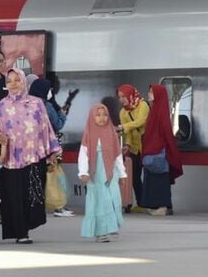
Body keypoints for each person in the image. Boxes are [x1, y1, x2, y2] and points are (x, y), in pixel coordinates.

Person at [0, 68, 60, 244]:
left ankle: (27, 226)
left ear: (23, 82)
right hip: (11, 160)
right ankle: (21, 233)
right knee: (14, 197)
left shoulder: (37, 104)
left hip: (34, 157)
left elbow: (46, 127)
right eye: (9, 81)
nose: (13, 84)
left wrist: (52, 151)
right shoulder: (1, 106)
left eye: (16, 80)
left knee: (33, 196)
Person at [78, 103, 126, 242]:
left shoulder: (111, 132)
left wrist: (122, 174)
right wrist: (83, 171)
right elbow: (83, 154)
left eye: (105, 115)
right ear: (92, 117)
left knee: (114, 199)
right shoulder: (89, 133)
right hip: (95, 173)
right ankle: (101, 232)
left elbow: (117, 155)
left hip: (111, 171)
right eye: (98, 115)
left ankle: (112, 226)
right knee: (100, 201)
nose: (102, 118)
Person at [29, 78, 73, 218]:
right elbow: (58, 124)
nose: (51, 93)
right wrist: (62, 113)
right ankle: (58, 206)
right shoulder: (46, 105)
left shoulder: (28, 104)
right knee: (55, 174)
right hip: (50, 144)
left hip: (34, 147)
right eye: (49, 90)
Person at [140, 84, 183, 216]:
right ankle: (156, 205)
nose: (149, 94)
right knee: (156, 178)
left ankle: (162, 206)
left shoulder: (159, 111)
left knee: (158, 178)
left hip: (158, 151)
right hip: (154, 150)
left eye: (152, 92)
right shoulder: (155, 110)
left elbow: (164, 132)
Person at [116, 84, 149, 212]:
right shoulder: (123, 112)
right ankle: (140, 203)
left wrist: (123, 127)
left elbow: (141, 121)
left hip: (148, 146)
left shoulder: (143, 105)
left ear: (130, 95)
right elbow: (128, 132)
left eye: (124, 96)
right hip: (135, 148)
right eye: (120, 97)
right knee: (134, 177)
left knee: (148, 176)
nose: (122, 100)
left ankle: (149, 202)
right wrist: (128, 145)